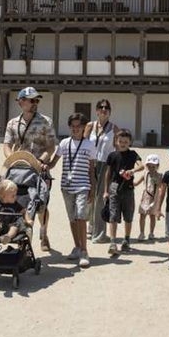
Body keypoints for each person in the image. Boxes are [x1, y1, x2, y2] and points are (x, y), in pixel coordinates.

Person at [3, 87, 58, 252]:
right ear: (21, 102)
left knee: (40, 205)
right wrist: (11, 159)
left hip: (39, 171)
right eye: (31, 100)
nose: (35, 103)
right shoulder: (12, 123)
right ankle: (21, 239)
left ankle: (44, 233)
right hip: (18, 172)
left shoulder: (46, 121)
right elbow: (6, 145)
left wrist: (41, 160)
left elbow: (50, 146)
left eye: (37, 100)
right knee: (18, 205)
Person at [49, 113, 96, 268]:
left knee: (81, 216)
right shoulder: (64, 143)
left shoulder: (89, 145)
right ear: (69, 127)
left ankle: (84, 251)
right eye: (73, 126)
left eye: (79, 126)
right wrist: (42, 165)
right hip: (67, 186)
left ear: (84, 127)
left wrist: (93, 188)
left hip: (83, 185)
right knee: (72, 218)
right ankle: (77, 246)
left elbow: (91, 170)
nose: (75, 129)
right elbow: (53, 162)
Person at [83, 98, 119, 244]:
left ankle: (100, 233)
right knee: (89, 196)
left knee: (101, 199)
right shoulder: (90, 126)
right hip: (90, 163)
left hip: (105, 164)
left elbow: (117, 148)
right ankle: (91, 225)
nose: (104, 110)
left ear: (109, 111)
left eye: (106, 108)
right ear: (96, 111)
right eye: (101, 107)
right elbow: (83, 143)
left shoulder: (114, 128)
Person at [102, 129, 143, 256]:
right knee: (113, 216)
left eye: (125, 141)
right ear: (116, 141)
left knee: (128, 216)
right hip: (114, 188)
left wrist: (132, 171)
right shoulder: (112, 155)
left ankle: (126, 239)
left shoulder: (133, 154)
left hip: (128, 188)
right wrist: (105, 191)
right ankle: (113, 242)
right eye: (120, 141)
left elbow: (141, 165)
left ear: (130, 142)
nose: (123, 143)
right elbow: (108, 174)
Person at [0, 179, 33, 251]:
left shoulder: (15, 204)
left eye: (15, 195)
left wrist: (28, 220)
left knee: (14, 227)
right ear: (3, 196)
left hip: (12, 223)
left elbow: (24, 211)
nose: (15, 197)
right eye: (13, 196)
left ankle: (7, 237)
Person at [134, 154, 161, 241]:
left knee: (152, 216)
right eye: (149, 166)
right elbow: (136, 183)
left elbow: (162, 187)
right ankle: (142, 233)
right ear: (146, 166)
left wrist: (158, 182)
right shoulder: (145, 174)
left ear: (157, 166)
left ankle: (151, 233)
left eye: (153, 166)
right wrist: (130, 180)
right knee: (142, 215)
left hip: (154, 198)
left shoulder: (160, 176)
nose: (151, 168)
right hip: (145, 197)